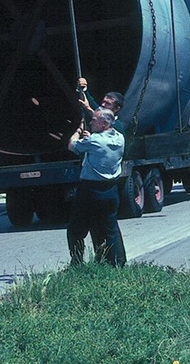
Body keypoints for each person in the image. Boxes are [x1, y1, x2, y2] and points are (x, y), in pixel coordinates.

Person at [67, 108, 127, 267]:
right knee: (110, 229)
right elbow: (98, 145)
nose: (91, 121)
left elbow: (72, 146)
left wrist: (78, 131)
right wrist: (91, 137)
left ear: (104, 124)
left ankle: (77, 263)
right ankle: (117, 263)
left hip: (90, 190)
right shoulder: (120, 138)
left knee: (76, 229)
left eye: (94, 120)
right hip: (111, 190)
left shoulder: (94, 140)